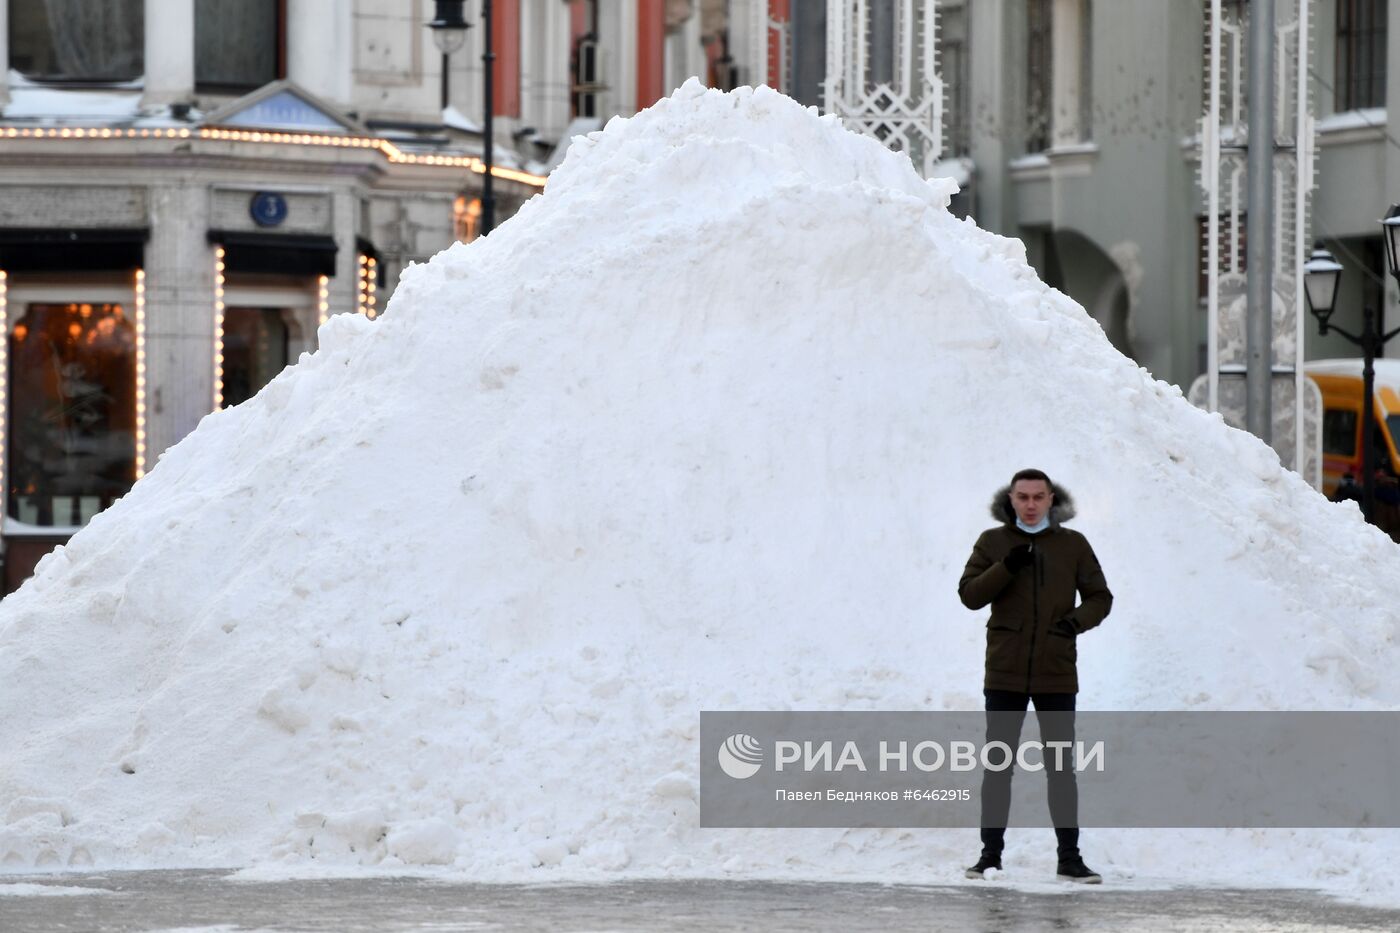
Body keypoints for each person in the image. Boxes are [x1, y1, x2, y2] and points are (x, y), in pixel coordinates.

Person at [957, 468, 1113, 884]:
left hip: (1056, 672)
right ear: (1010, 499)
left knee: (1061, 769)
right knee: (998, 767)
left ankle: (1070, 859)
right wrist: (1006, 567)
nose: (1029, 504)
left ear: (1050, 500)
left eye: (1037, 497)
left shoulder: (1072, 545)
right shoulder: (993, 543)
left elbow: (1101, 597)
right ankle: (989, 857)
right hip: (1005, 672)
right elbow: (970, 596)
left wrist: (1073, 624)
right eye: (1022, 497)